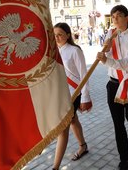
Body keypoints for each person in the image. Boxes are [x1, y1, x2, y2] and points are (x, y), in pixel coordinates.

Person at [96, 5, 128, 170]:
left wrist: (107, 60)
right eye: (112, 16)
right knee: (118, 124)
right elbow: (108, 59)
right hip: (113, 84)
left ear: (126, 17)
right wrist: (106, 52)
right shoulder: (111, 35)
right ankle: (125, 158)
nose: (115, 19)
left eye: (118, 16)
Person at [52, 23, 93, 170]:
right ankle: (83, 146)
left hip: (74, 93)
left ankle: (55, 167)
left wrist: (85, 98)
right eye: (55, 34)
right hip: (61, 93)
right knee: (73, 120)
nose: (57, 37)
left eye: (60, 34)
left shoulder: (75, 51)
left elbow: (84, 75)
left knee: (63, 129)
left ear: (68, 35)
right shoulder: (54, 51)